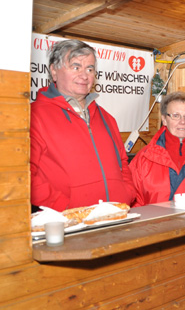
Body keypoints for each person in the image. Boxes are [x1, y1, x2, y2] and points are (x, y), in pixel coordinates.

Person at [31, 39, 136, 211]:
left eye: (90, 68)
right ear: (54, 71)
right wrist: (65, 208)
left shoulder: (107, 118)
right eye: (75, 67)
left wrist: (127, 194)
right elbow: (24, 176)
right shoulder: (34, 116)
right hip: (68, 225)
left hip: (116, 217)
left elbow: (122, 162)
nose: (84, 75)